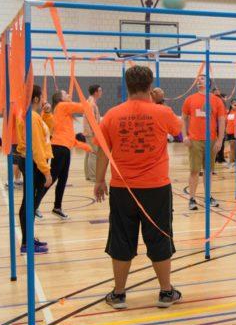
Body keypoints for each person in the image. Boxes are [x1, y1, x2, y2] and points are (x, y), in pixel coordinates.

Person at [94, 65, 184, 309]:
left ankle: (119, 294)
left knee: (121, 238)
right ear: (150, 85)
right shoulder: (162, 112)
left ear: (127, 85)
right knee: (160, 236)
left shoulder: (111, 115)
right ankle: (166, 292)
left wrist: (100, 180)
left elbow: (103, 151)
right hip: (156, 188)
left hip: (123, 189)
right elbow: (179, 130)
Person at [16, 86, 53, 253]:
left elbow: (47, 132)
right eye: (42, 97)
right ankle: (26, 243)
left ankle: (28, 240)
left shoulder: (33, 116)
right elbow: (37, 147)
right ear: (36, 99)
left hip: (31, 163)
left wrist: (46, 114)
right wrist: (46, 172)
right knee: (29, 204)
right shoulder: (31, 117)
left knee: (28, 203)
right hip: (34, 164)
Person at [181, 75, 226, 210]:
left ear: (208, 82)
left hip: (211, 140)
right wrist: (185, 136)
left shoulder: (216, 101)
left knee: (208, 171)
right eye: (198, 78)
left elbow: (221, 121)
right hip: (195, 140)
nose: (199, 80)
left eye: (202, 78)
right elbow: (183, 119)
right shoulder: (190, 99)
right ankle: (192, 199)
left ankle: (208, 196)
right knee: (194, 171)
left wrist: (220, 140)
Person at [46, 91, 88, 219]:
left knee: (62, 179)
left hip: (64, 147)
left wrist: (85, 147)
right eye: (66, 94)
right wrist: (92, 99)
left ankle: (57, 207)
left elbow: (68, 133)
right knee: (52, 178)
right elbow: (83, 108)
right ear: (60, 98)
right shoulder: (63, 105)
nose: (69, 95)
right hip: (60, 147)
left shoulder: (62, 109)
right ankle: (34, 206)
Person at [83, 84, 103, 182]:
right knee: (94, 153)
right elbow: (92, 120)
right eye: (100, 90)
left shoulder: (90, 102)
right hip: (91, 132)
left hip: (89, 132)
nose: (101, 92)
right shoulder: (91, 103)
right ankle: (93, 176)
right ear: (95, 92)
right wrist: (96, 133)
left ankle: (88, 175)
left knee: (89, 153)